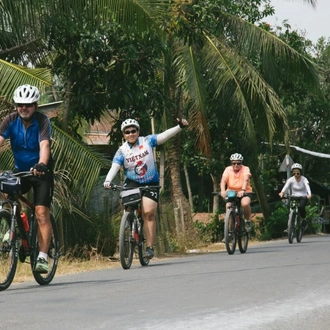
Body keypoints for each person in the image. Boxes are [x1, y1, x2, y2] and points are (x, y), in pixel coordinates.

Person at [104, 117, 188, 259]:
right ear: (124, 134)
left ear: (138, 131)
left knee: (148, 213)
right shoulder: (122, 150)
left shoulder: (147, 141)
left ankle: (149, 247)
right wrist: (107, 180)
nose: (131, 134)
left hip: (150, 182)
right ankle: (129, 224)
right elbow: (115, 166)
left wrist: (179, 126)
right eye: (127, 132)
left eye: (133, 131)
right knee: (125, 203)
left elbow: (163, 136)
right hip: (132, 182)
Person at [0, 84, 54, 273]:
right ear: (16, 105)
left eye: (28, 104)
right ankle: (17, 221)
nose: (24, 108)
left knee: (40, 213)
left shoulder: (42, 120)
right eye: (20, 104)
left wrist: (41, 164)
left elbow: (44, 145)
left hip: (40, 171)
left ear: (36, 106)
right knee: (7, 195)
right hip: (20, 170)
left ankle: (42, 256)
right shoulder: (10, 120)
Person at [220, 153, 253, 231]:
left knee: (245, 203)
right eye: (234, 163)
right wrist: (222, 191)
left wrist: (243, 190)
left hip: (245, 192)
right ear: (231, 163)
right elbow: (223, 181)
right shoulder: (227, 169)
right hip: (231, 192)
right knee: (228, 207)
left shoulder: (245, 169)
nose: (236, 165)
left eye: (238, 163)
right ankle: (228, 232)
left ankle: (247, 221)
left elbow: (246, 179)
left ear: (241, 163)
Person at [279, 163, 311, 231]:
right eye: (294, 173)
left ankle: (304, 220)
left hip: (303, 196)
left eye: (298, 173)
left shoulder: (304, 179)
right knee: (291, 208)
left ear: (300, 173)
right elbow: (286, 186)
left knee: (301, 207)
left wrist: (309, 194)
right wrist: (282, 192)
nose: (296, 175)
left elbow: (307, 187)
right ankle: (289, 226)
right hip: (294, 196)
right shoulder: (291, 179)